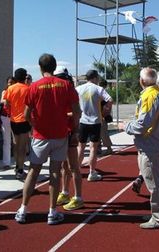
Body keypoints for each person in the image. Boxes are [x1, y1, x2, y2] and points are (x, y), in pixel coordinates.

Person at [14, 54, 81, 225]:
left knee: (33, 171)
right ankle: (52, 211)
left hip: (40, 136)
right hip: (60, 135)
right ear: (54, 66)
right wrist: (74, 129)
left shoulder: (34, 87)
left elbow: (27, 114)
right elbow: (77, 111)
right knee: (55, 172)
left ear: (40, 67)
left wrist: (34, 125)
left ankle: (23, 209)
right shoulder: (66, 85)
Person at [125, 68, 159, 229]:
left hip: (150, 145)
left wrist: (126, 126)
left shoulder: (150, 96)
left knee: (155, 185)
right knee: (156, 183)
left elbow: (142, 125)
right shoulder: (158, 94)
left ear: (142, 81)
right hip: (154, 142)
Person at [54, 66, 84, 211]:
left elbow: (77, 112)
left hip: (70, 131)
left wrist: (76, 131)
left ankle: (78, 197)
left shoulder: (70, 90)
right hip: (61, 131)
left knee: (73, 166)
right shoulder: (58, 91)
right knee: (63, 166)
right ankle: (65, 192)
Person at [76, 70, 113, 181]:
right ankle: (91, 172)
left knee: (81, 147)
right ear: (95, 78)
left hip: (83, 121)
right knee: (93, 148)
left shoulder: (78, 89)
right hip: (95, 121)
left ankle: (76, 170)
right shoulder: (98, 89)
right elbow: (110, 100)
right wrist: (106, 111)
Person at [3, 68, 31, 179]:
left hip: (13, 120)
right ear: (24, 77)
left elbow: (6, 103)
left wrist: (10, 112)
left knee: (16, 144)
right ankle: (20, 169)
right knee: (22, 146)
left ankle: (17, 166)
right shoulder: (28, 89)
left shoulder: (10, 89)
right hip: (24, 120)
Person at [0, 76, 16, 170]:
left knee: (16, 141)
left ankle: (18, 161)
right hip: (5, 117)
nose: (10, 84)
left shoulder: (16, 91)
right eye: (9, 82)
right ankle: (6, 163)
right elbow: (2, 101)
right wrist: (8, 100)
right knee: (6, 141)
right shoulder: (4, 91)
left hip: (15, 117)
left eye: (12, 82)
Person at [98, 78, 114, 156]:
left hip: (101, 116)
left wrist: (105, 113)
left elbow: (109, 102)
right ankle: (99, 148)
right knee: (98, 133)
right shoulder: (100, 92)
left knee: (103, 133)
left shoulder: (102, 93)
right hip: (99, 115)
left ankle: (109, 148)